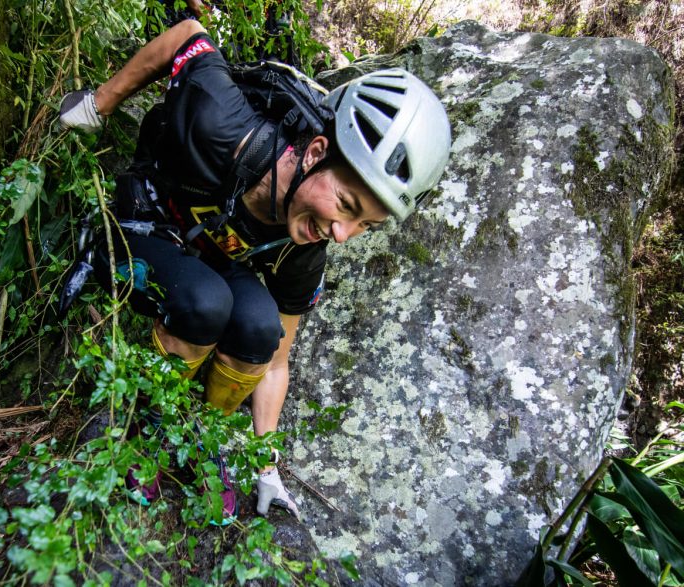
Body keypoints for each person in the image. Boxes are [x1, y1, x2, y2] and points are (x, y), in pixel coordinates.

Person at [59, 18, 451, 525]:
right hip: (142, 222)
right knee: (206, 302)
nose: (341, 233)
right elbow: (188, 37)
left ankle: (203, 429)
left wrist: (267, 465)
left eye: (365, 226)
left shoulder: (305, 246)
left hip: (202, 256)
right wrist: (100, 102)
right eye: (346, 204)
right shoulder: (224, 125)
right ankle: (150, 424)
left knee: (261, 326)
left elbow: (277, 359)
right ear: (315, 153)